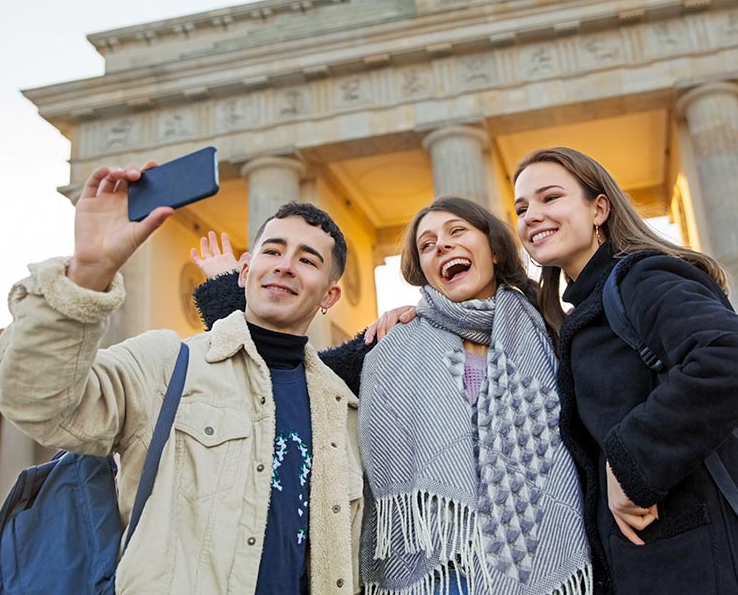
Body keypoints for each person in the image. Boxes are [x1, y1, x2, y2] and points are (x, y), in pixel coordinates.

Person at [0, 162, 362, 595]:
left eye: (307, 260)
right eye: (273, 251)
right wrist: (87, 274)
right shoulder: (168, 363)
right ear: (245, 272)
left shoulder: (344, 411)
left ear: (330, 295)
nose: (284, 266)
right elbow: (38, 401)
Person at [193, 197, 593, 595]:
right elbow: (292, 372)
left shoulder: (554, 332)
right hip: (436, 574)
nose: (442, 246)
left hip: (548, 556)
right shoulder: (391, 343)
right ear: (423, 271)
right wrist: (238, 290)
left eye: (457, 232)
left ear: (493, 248)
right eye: (427, 245)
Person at [510, 147, 738, 595]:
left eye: (549, 198)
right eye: (521, 208)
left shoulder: (641, 279)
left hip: (716, 558)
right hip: (675, 557)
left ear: (599, 208)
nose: (531, 215)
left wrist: (630, 463)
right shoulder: (578, 314)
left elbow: (737, 359)